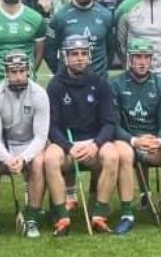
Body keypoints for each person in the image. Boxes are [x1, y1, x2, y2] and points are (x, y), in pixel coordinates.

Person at [44, 34, 134, 236]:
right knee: (50, 159)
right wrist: (68, 147)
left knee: (112, 155)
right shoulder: (55, 85)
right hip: (67, 143)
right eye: (74, 54)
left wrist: (96, 144)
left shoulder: (100, 82)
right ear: (65, 57)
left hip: (94, 141)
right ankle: (61, 217)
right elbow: (51, 125)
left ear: (89, 57)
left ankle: (99, 214)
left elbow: (109, 122)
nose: (79, 58)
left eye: (83, 54)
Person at [112, 38, 161, 231]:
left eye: (146, 57)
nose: (142, 62)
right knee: (124, 154)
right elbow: (113, 125)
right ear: (129, 59)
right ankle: (127, 214)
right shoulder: (116, 84)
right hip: (128, 138)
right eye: (138, 57)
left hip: (155, 138)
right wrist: (134, 140)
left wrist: (159, 140)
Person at [0, 51, 49, 239]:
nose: (18, 76)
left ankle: (32, 218)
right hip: (4, 145)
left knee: (39, 162)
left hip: (31, 144)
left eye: (21, 71)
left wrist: (24, 157)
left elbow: (41, 137)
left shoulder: (40, 95)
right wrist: (8, 159)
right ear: (6, 73)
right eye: (13, 71)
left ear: (28, 71)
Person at [45, 0, 116, 75]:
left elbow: (110, 50)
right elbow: (50, 51)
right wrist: (62, 73)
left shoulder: (106, 15)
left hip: (98, 81)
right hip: (69, 82)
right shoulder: (60, 17)